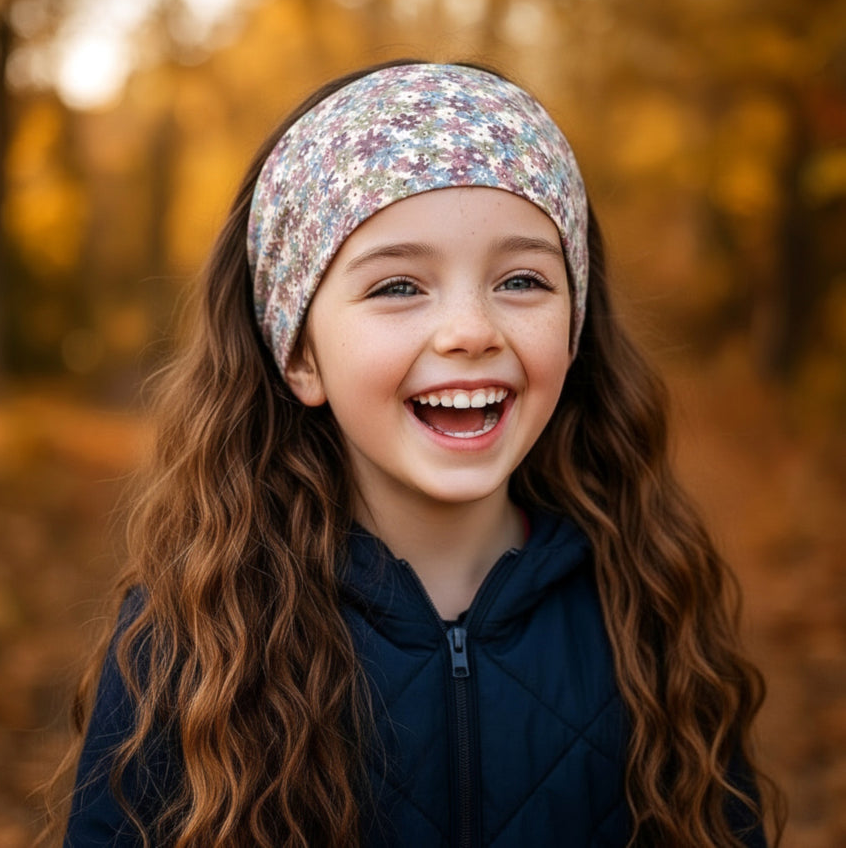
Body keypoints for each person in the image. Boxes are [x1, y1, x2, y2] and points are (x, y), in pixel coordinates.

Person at [51, 60, 782, 847]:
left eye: (523, 280)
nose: (471, 330)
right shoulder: (189, 643)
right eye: (399, 286)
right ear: (300, 355)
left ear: (573, 332)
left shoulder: (651, 607)